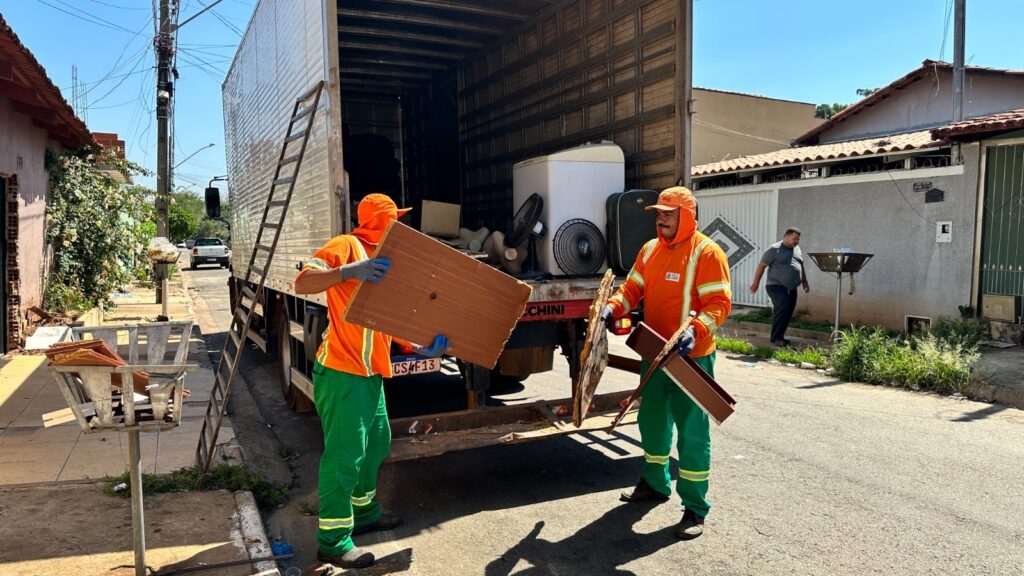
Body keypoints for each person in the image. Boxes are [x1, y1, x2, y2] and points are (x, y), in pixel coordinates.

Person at [294, 193, 449, 569]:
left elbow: (387, 317)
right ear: (381, 220)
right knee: (344, 456)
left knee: (376, 445)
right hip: (342, 372)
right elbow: (303, 282)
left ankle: (364, 515)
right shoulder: (346, 246)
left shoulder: (389, 260)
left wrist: (417, 347)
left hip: (370, 373)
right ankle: (332, 541)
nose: (401, 225)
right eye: (395, 219)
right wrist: (348, 271)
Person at [600, 186, 732, 540]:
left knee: (692, 432)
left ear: (686, 215)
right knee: (652, 420)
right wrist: (614, 306)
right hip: (654, 353)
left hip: (692, 358)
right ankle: (655, 484)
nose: (660, 219)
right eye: (658, 214)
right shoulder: (650, 250)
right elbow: (632, 289)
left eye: (668, 214)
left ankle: (694, 508)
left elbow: (718, 303)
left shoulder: (707, 252)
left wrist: (696, 331)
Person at [748, 228, 810, 346]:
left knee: (788, 311)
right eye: (794, 239)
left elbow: (800, 265)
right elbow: (762, 266)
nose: (796, 241)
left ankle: (779, 336)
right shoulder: (774, 249)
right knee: (783, 307)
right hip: (775, 285)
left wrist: (805, 282)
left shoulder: (797, 249)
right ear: (786, 236)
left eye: (798, 239)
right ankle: (776, 337)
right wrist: (756, 283)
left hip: (792, 287)